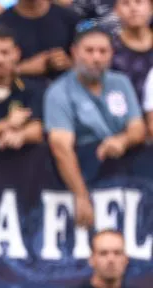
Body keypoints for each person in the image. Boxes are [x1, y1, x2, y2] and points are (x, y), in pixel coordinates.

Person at [44, 27, 145, 229]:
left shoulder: (121, 82)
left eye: (102, 51)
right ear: (74, 52)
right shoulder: (59, 92)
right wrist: (81, 196)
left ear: (111, 54)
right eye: (89, 51)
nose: (96, 58)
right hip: (84, 173)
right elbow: (61, 147)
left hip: (126, 175)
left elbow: (138, 128)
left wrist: (122, 140)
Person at [0, 0, 76, 84]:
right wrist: (23, 69)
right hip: (18, 93)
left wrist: (68, 63)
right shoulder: (0, 24)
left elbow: (84, 63)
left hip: (64, 90)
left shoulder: (69, 19)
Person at [111, 0, 153, 102]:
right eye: (125, 3)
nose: (133, 9)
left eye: (138, 2)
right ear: (116, 10)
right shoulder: (109, 49)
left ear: (151, 7)